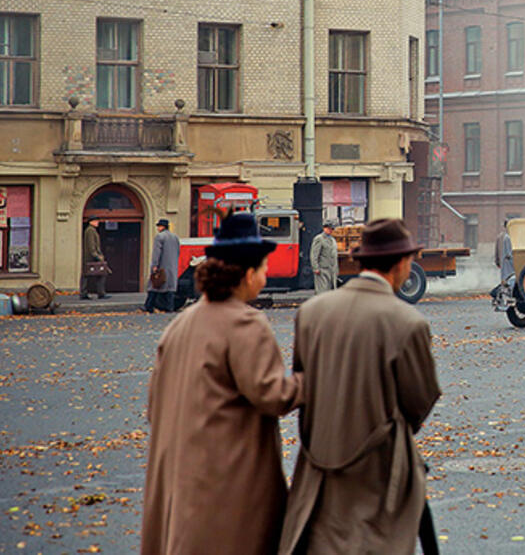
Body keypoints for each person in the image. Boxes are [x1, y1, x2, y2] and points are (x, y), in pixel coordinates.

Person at [141, 212, 303, 555]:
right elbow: (273, 395)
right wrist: (310, 381)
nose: (266, 275)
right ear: (247, 274)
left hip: (179, 478)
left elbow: (154, 406)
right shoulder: (245, 323)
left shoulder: (180, 325)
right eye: (263, 268)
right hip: (228, 481)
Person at [279, 218, 442, 554]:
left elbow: (303, 381)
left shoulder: (311, 313)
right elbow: (419, 401)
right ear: (399, 263)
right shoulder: (408, 322)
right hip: (379, 468)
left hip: (317, 465)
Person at [144, 218, 180, 313]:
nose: (158, 228)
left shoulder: (159, 237)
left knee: (154, 286)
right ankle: (170, 308)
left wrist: (154, 265)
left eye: (159, 226)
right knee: (170, 288)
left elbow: (157, 252)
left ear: (162, 227)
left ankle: (149, 306)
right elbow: (178, 251)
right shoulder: (175, 237)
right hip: (172, 266)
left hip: (162, 266)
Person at [80, 216, 110, 300]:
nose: (98, 222)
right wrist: (97, 256)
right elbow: (91, 245)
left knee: (89, 274)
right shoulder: (90, 231)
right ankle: (99, 293)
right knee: (100, 274)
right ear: (91, 222)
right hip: (91, 257)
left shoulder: (92, 230)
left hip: (91, 256)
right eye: (96, 221)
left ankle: (85, 292)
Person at [309, 222, 338, 294]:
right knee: (322, 290)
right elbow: (314, 254)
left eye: (331, 229)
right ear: (324, 228)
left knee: (331, 290)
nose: (330, 230)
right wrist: (315, 267)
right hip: (322, 269)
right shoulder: (319, 239)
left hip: (332, 269)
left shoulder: (332, 240)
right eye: (328, 228)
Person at [494, 218, 514, 282]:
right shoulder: (511, 236)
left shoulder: (500, 236)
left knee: (504, 279)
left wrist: (497, 261)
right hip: (511, 263)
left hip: (503, 262)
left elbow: (496, 251)